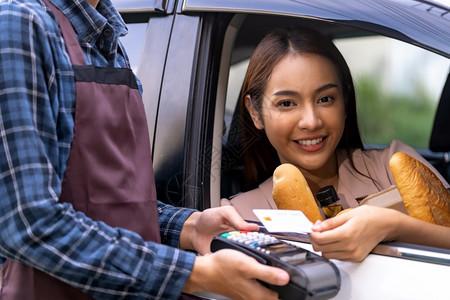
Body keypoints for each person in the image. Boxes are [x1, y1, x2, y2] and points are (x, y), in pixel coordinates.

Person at [0, 0, 290, 299]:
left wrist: (191, 227)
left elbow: (113, 208)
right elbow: (27, 222)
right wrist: (195, 273)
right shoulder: (21, 23)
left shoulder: (110, 40)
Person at [221, 27, 450, 262]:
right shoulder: (241, 215)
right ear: (255, 113)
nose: (311, 121)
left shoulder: (396, 166)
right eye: (287, 103)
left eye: (325, 99)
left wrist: (394, 226)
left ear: (345, 100)